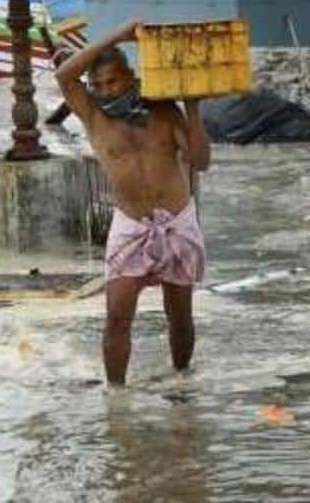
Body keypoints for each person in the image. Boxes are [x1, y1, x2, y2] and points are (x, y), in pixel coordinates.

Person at [54, 19, 211, 386]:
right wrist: (116, 35)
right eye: (98, 85)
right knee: (117, 317)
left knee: (180, 317)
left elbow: (200, 162)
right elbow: (64, 75)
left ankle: (182, 382)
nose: (106, 91)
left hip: (176, 222)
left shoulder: (163, 111)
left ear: (130, 77)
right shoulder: (93, 115)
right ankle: (117, 397)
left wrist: (192, 109)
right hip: (130, 225)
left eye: (113, 81)